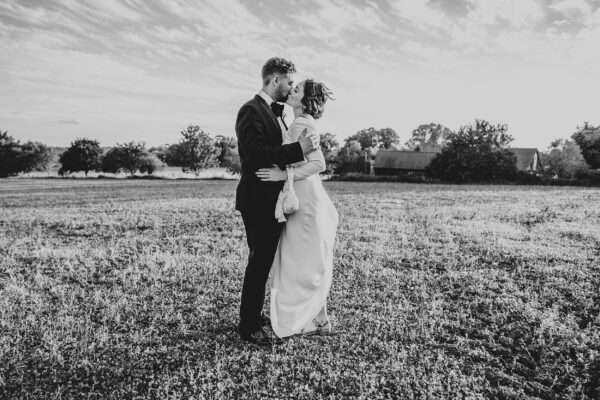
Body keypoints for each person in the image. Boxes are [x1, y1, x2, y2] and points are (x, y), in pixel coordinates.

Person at [235, 57, 320, 345]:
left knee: (265, 260)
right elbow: (255, 153)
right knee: (259, 262)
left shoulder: (280, 113)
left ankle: (254, 314)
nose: (291, 87)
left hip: (271, 200)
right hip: (256, 199)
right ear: (275, 80)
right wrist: (299, 149)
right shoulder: (250, 110)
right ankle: (248, 326)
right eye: (289, 82)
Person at [256, 79, 338, 338]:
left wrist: (282, 177)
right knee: (307, 263)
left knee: (301, 265)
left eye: (298, 89)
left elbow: (319, 164)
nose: (292, 90)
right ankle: (320, 321)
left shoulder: (302, 123)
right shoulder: (300, 122)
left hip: (306, 203)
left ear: (306, 100)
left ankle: (310, 321)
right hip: (305, 199)